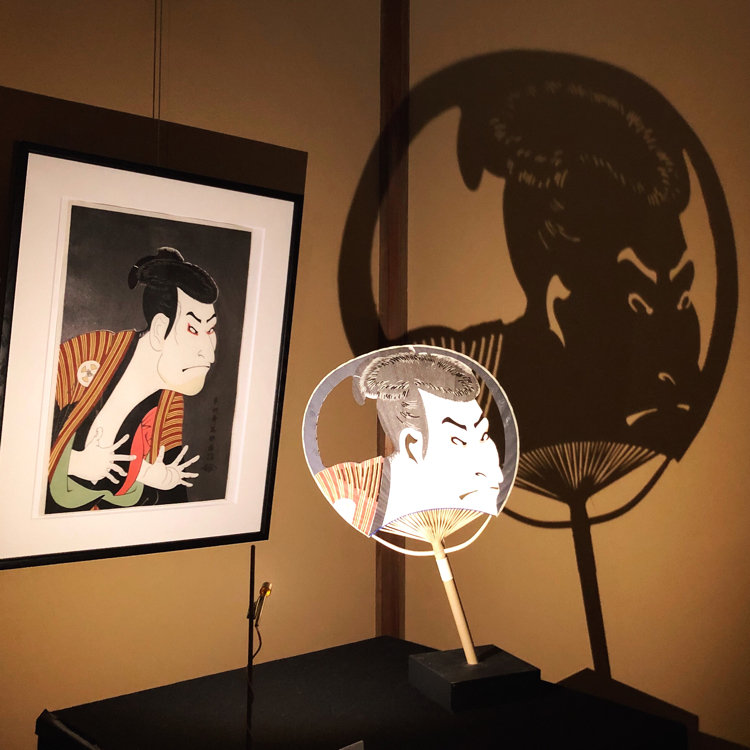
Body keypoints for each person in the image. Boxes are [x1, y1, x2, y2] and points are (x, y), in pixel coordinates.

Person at [413, 79, 701, 461]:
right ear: (559, 298)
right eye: (638, 305)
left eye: (680, 299)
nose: (672, 364)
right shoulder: (454, 390)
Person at [47, 247, 218, 512]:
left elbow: (169, 501)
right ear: (160, 328)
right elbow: (19, 426)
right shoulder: (92, 352)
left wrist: (157, 479)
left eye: (211, 329)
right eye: (193, 329)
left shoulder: (170, 401)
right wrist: (73, 463)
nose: (209, 352)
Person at [314, 350, 503, 536]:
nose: (494, 472)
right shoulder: (347, 492)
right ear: (412, 446)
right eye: (459, 441)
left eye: (484, 435)